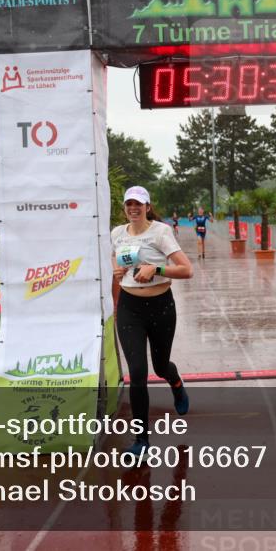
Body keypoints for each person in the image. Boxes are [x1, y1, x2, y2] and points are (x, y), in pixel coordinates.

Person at [111, 186, 193, 457]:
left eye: (139, 204)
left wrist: (154, 269)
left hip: (160, 307)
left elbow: (186, 269)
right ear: (125, 207)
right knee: (136, 373)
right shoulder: (117, 234)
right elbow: (116, 266)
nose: (133, 208)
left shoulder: (160, 232)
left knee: (159, 366)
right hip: (129, 308)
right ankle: (141, 442)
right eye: (129, 204)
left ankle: (176, 382)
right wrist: (116, 272)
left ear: (147, 206)